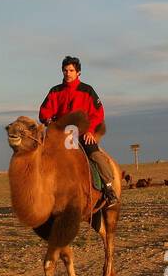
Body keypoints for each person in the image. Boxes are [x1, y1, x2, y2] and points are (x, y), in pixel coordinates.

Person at [38, 56, 119, 209]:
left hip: (82, 133)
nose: (67, 73)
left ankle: (109, 189)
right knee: (40, 157)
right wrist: (50, 122)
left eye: (71, 70)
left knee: (96, 156)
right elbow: (44, 112)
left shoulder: (87, 91)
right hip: (61, 134)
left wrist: (90, 131)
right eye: (65, 70)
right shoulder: (55, 91)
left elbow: (98, 113)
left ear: (78, 73)